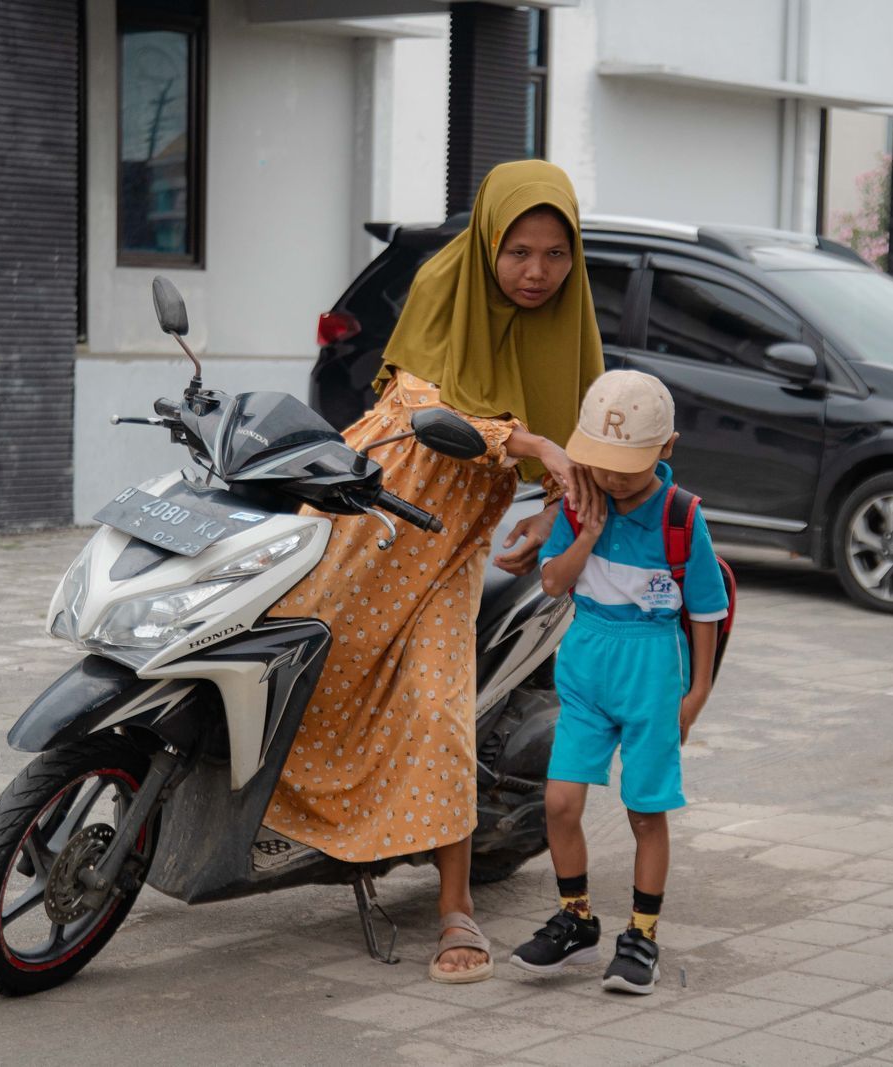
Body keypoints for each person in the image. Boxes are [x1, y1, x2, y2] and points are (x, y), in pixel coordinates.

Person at [257, 161, 606, 984]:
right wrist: (531, 445)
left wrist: (553, 509)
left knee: (436, 709)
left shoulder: (568, 326)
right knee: (280, 661)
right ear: (489, 241)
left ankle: (456, 907)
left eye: (556, 254)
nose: (536, 271)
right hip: (363, 517)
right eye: (519, 250)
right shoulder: (442, 281)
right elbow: (418, 398)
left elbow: (584, 445)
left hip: (448, 552)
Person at [509, 370, 728, 995]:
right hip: (586, 663)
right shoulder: (580, 502)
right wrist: (592, 529)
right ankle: (577, 921)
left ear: (666, 449)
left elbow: (706, 609)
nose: (612, 478)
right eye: (602, 463)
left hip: (653, 669)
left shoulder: (682, 516)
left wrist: (699, 692)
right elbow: (553, 582)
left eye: (628, 468)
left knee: (645, 810)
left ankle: (642, 935)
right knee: (559, 803)